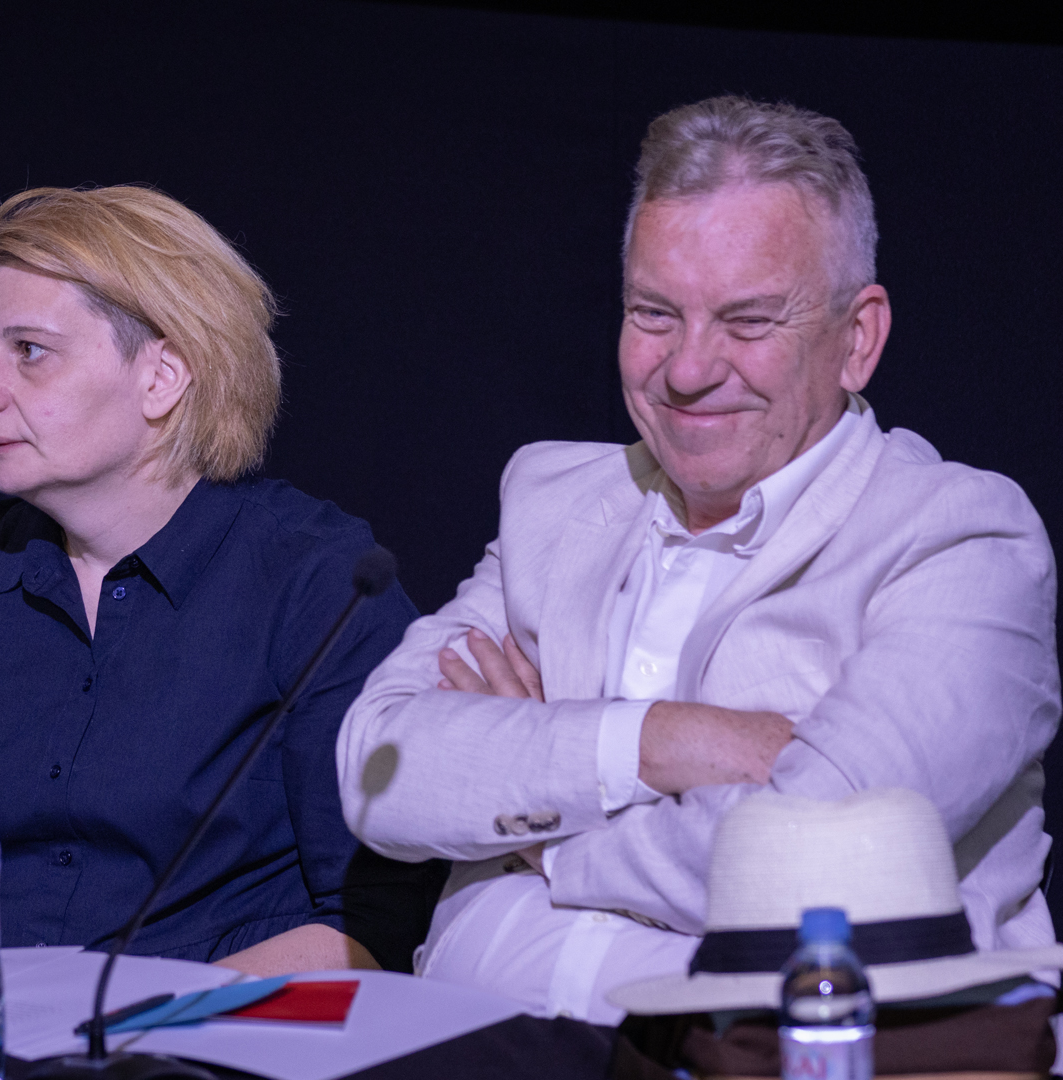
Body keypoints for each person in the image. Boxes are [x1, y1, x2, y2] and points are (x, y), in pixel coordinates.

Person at [337, 96, 1059, 1023]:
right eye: (654, 313)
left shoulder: (962, 539)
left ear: (857, 339)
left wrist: (548, 838)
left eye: (747, 321)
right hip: (470, 1045)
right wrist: (666, 741)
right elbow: (380, 769)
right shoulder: (555, 501)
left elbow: (825, 863)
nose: (686, 370)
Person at [0, 186, 419, 974]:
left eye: (29, 350)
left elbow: (371, 923)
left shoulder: (320, 585)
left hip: (210, 1030)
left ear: (162, 377)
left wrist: (132, 1023)